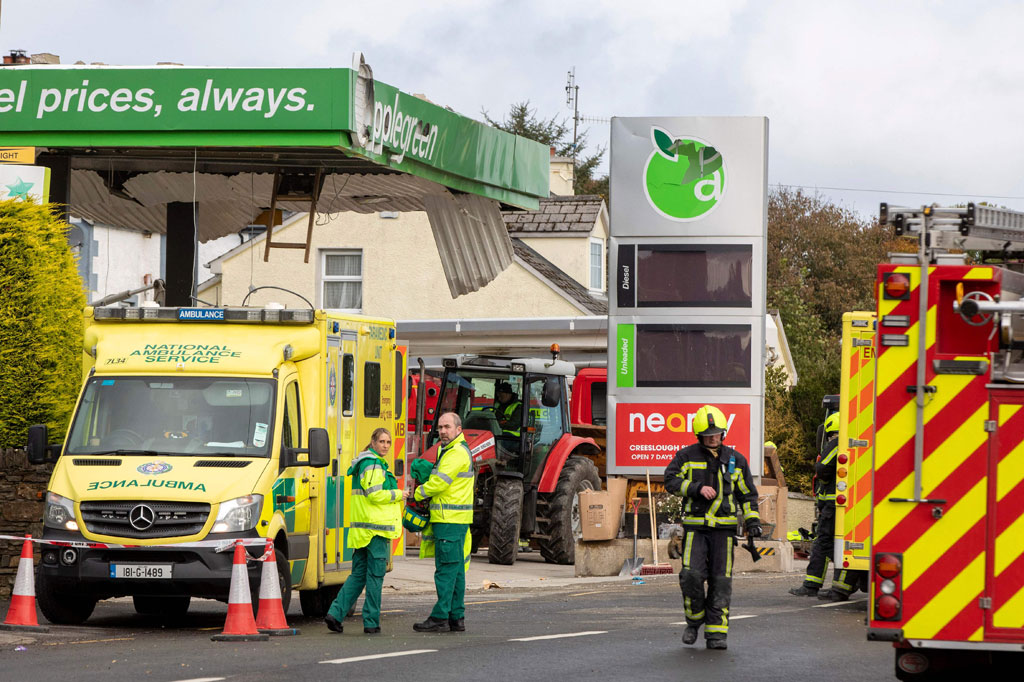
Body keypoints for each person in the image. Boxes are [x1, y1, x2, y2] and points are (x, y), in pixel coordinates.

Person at [664, 405, 760, 651]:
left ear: (723, 433)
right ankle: (694, 621)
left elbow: (747, 495)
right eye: (707, 435)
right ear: (699, 435)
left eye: (716, 433)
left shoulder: (736, 460)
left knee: (721, 582)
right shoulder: (686, 456)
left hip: (724, 532)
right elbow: (670, 480)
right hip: (695, 529)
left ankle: (717, 634)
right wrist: (696, 488)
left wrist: (753, 522)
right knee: (691, 576)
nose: (712, 438)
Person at [325, 427, 406, 634]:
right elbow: (374, 494)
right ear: (373, 442)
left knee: (358, 576)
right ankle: (371, 622)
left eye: (388, 442)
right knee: (375, 577)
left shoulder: (365, 463)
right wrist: (399, 494)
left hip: (362, 531)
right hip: (375, 532)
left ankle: (335, 613)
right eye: (382, 442)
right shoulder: (373, 464)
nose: (385, 446)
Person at [412, 411, 474, 633]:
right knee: (456, 571)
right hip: (454, 520)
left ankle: (440, 617)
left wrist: (417, 493)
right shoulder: (447, 450)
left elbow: (439, 482)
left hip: (450, 521)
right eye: (440, 427)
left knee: (446, 571)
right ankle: (456, 617)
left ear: (459, 430)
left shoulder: (456, 452)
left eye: (447, 427)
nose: (442, 431)